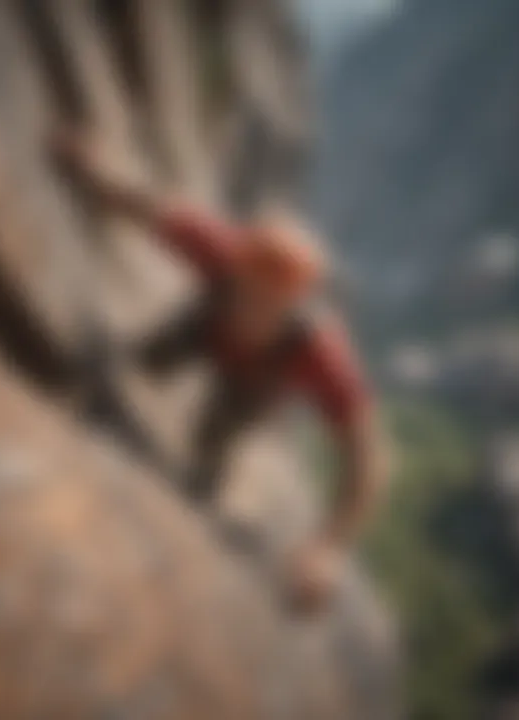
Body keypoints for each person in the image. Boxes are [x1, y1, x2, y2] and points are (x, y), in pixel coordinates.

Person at [51, 129, 387, 613]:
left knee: (213, 442)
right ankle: (137, 371)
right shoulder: (224, 253)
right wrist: (92, 172)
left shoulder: (319, 351)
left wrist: (329, 548)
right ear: (238, 266)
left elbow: (366, 455)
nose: (253, 307)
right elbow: (150, 208)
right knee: (143, 359)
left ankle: (202, 479)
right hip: (205, 331)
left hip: (251, 385)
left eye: (269, 302)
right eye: (248, 288)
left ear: (293, 304)